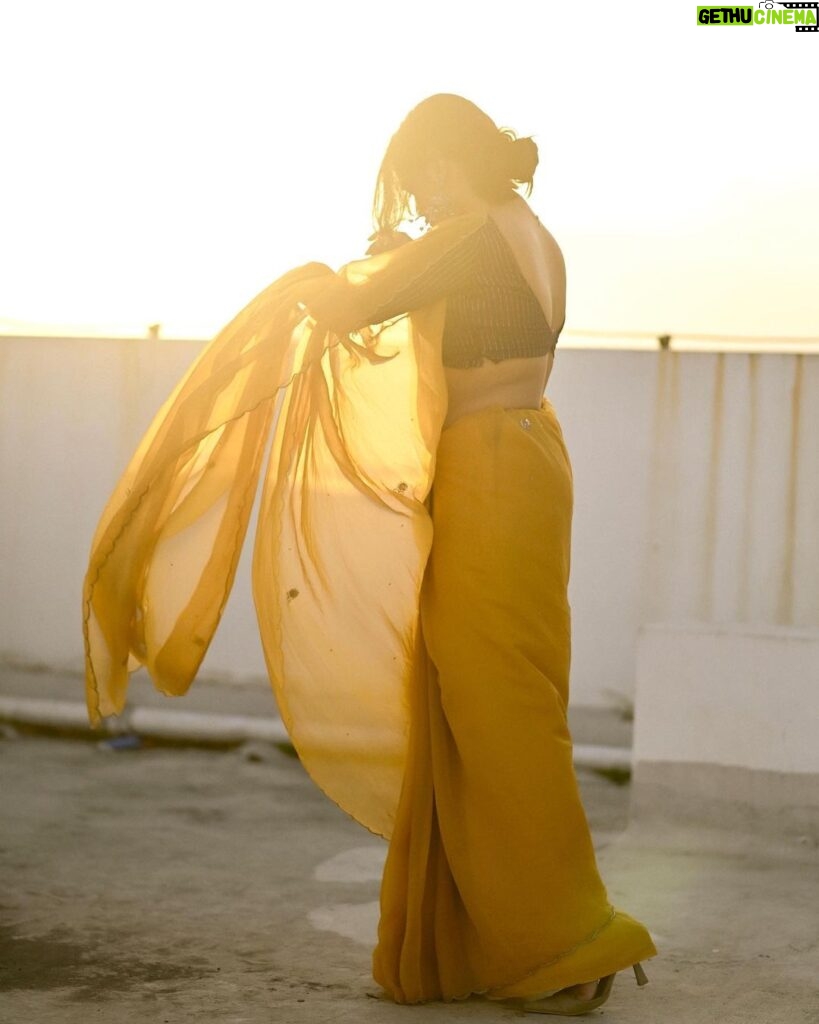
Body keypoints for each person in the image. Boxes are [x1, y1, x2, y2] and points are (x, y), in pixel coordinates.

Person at [82, 94, 656, 1015]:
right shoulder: (526, 230)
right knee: (480, 698)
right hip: (528, 454)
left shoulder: (470, 230)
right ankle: (479, 941)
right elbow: (424, 304)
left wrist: (301, 284)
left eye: (424, 168)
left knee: (495, 706)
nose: (419, 190)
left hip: (494, 469)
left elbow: (351, 307)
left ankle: (570, 939)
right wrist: (389, 267)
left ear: (453, 158)